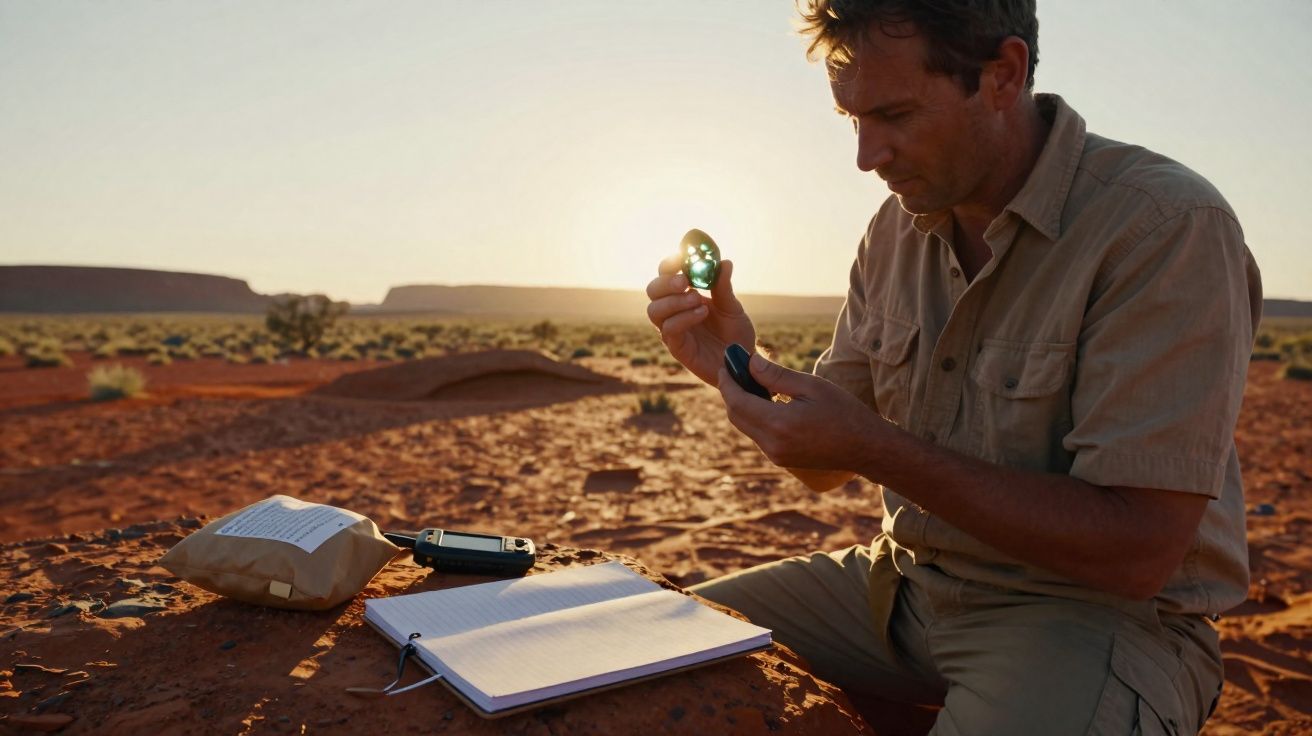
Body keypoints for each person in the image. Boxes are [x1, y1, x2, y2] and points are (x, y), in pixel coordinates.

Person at [643, 1, 1263, 734]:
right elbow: (821, 464)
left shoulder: (1162, 226)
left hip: (1094, 617)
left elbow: (1138, 553)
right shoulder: (893, 229)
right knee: (640, 653)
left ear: (1002, 74)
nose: (867, 156)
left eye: (896, 115)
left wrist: (877, 449)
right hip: (900, 586)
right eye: (853, 120)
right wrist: (733, 365)